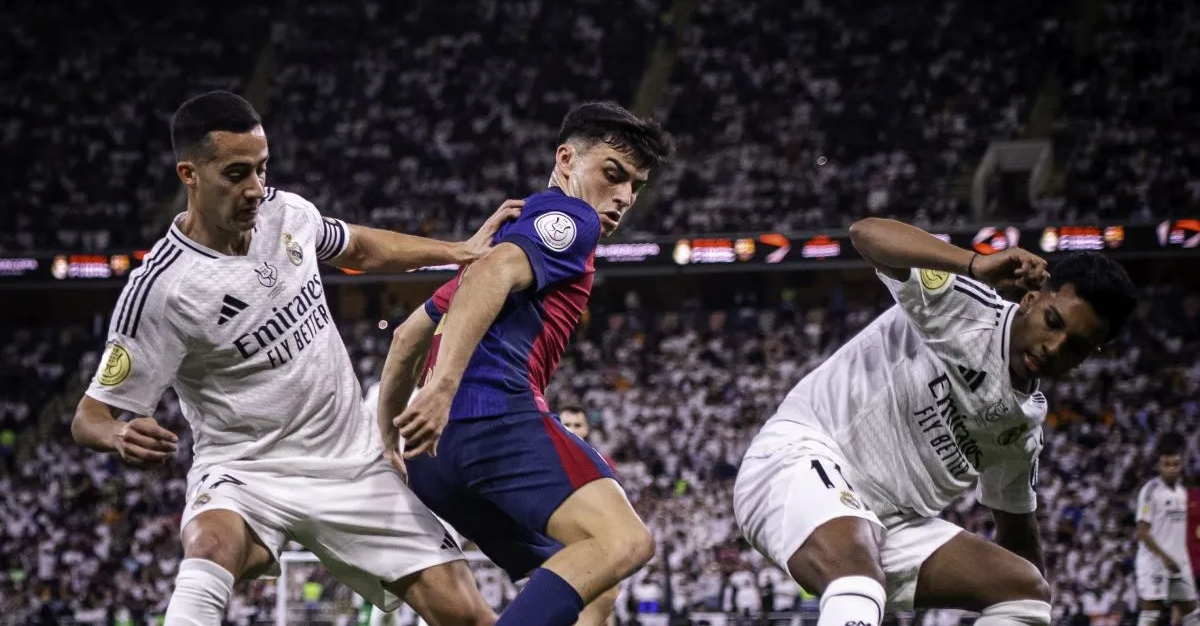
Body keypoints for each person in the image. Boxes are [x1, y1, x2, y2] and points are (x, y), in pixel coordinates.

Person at [70, 91, 521, 626]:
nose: (255, 189)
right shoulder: (162, 289)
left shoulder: (287, 213)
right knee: (210, 545)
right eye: (236, 174)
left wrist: (457, 250)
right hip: (248, 469)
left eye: (261, 170)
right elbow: (88, 417)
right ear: (189, 174)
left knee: (467, 615)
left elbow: (357, 248)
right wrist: (118, 435)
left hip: (354, 459)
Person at [734, 217, 1138, 626]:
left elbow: (1018, 536)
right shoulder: (966, 308)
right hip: (799, 461)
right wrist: (974, 264)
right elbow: (866, 234)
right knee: (860, 578)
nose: (1054, 347)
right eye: (1053, 322)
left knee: (1026, 594)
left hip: (887, 529)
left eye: (1076, 347)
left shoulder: (1024, 426)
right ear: (1032, 299)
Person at [376, 102, 674, 626]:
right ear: (566, 159)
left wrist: (389, 440)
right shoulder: (570, 219)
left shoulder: (495, 255)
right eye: (613, 173)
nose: (625, 197)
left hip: (432, 461)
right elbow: (493, 273)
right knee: (624, 539)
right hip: (489, 420)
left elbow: (404, 340)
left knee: (592, 585)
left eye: (636, 186)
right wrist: (444, 389)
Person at [1135, 432, 1198, 626]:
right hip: (1155, 562)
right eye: (1167, 465)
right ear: (1159, 465)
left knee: (1193, 612)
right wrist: (1165, 557)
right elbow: (1142, 532)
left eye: (1176, 465)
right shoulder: (1150, 490)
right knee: (1151, 615)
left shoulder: (1182, 492)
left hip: (1179, 563)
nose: (1172, 469)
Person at [559, 404, 617, 471]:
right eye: (566, 425)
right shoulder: (547, 458)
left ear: (586, 429)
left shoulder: (603, 462)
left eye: (577, 425)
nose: (571, 430)